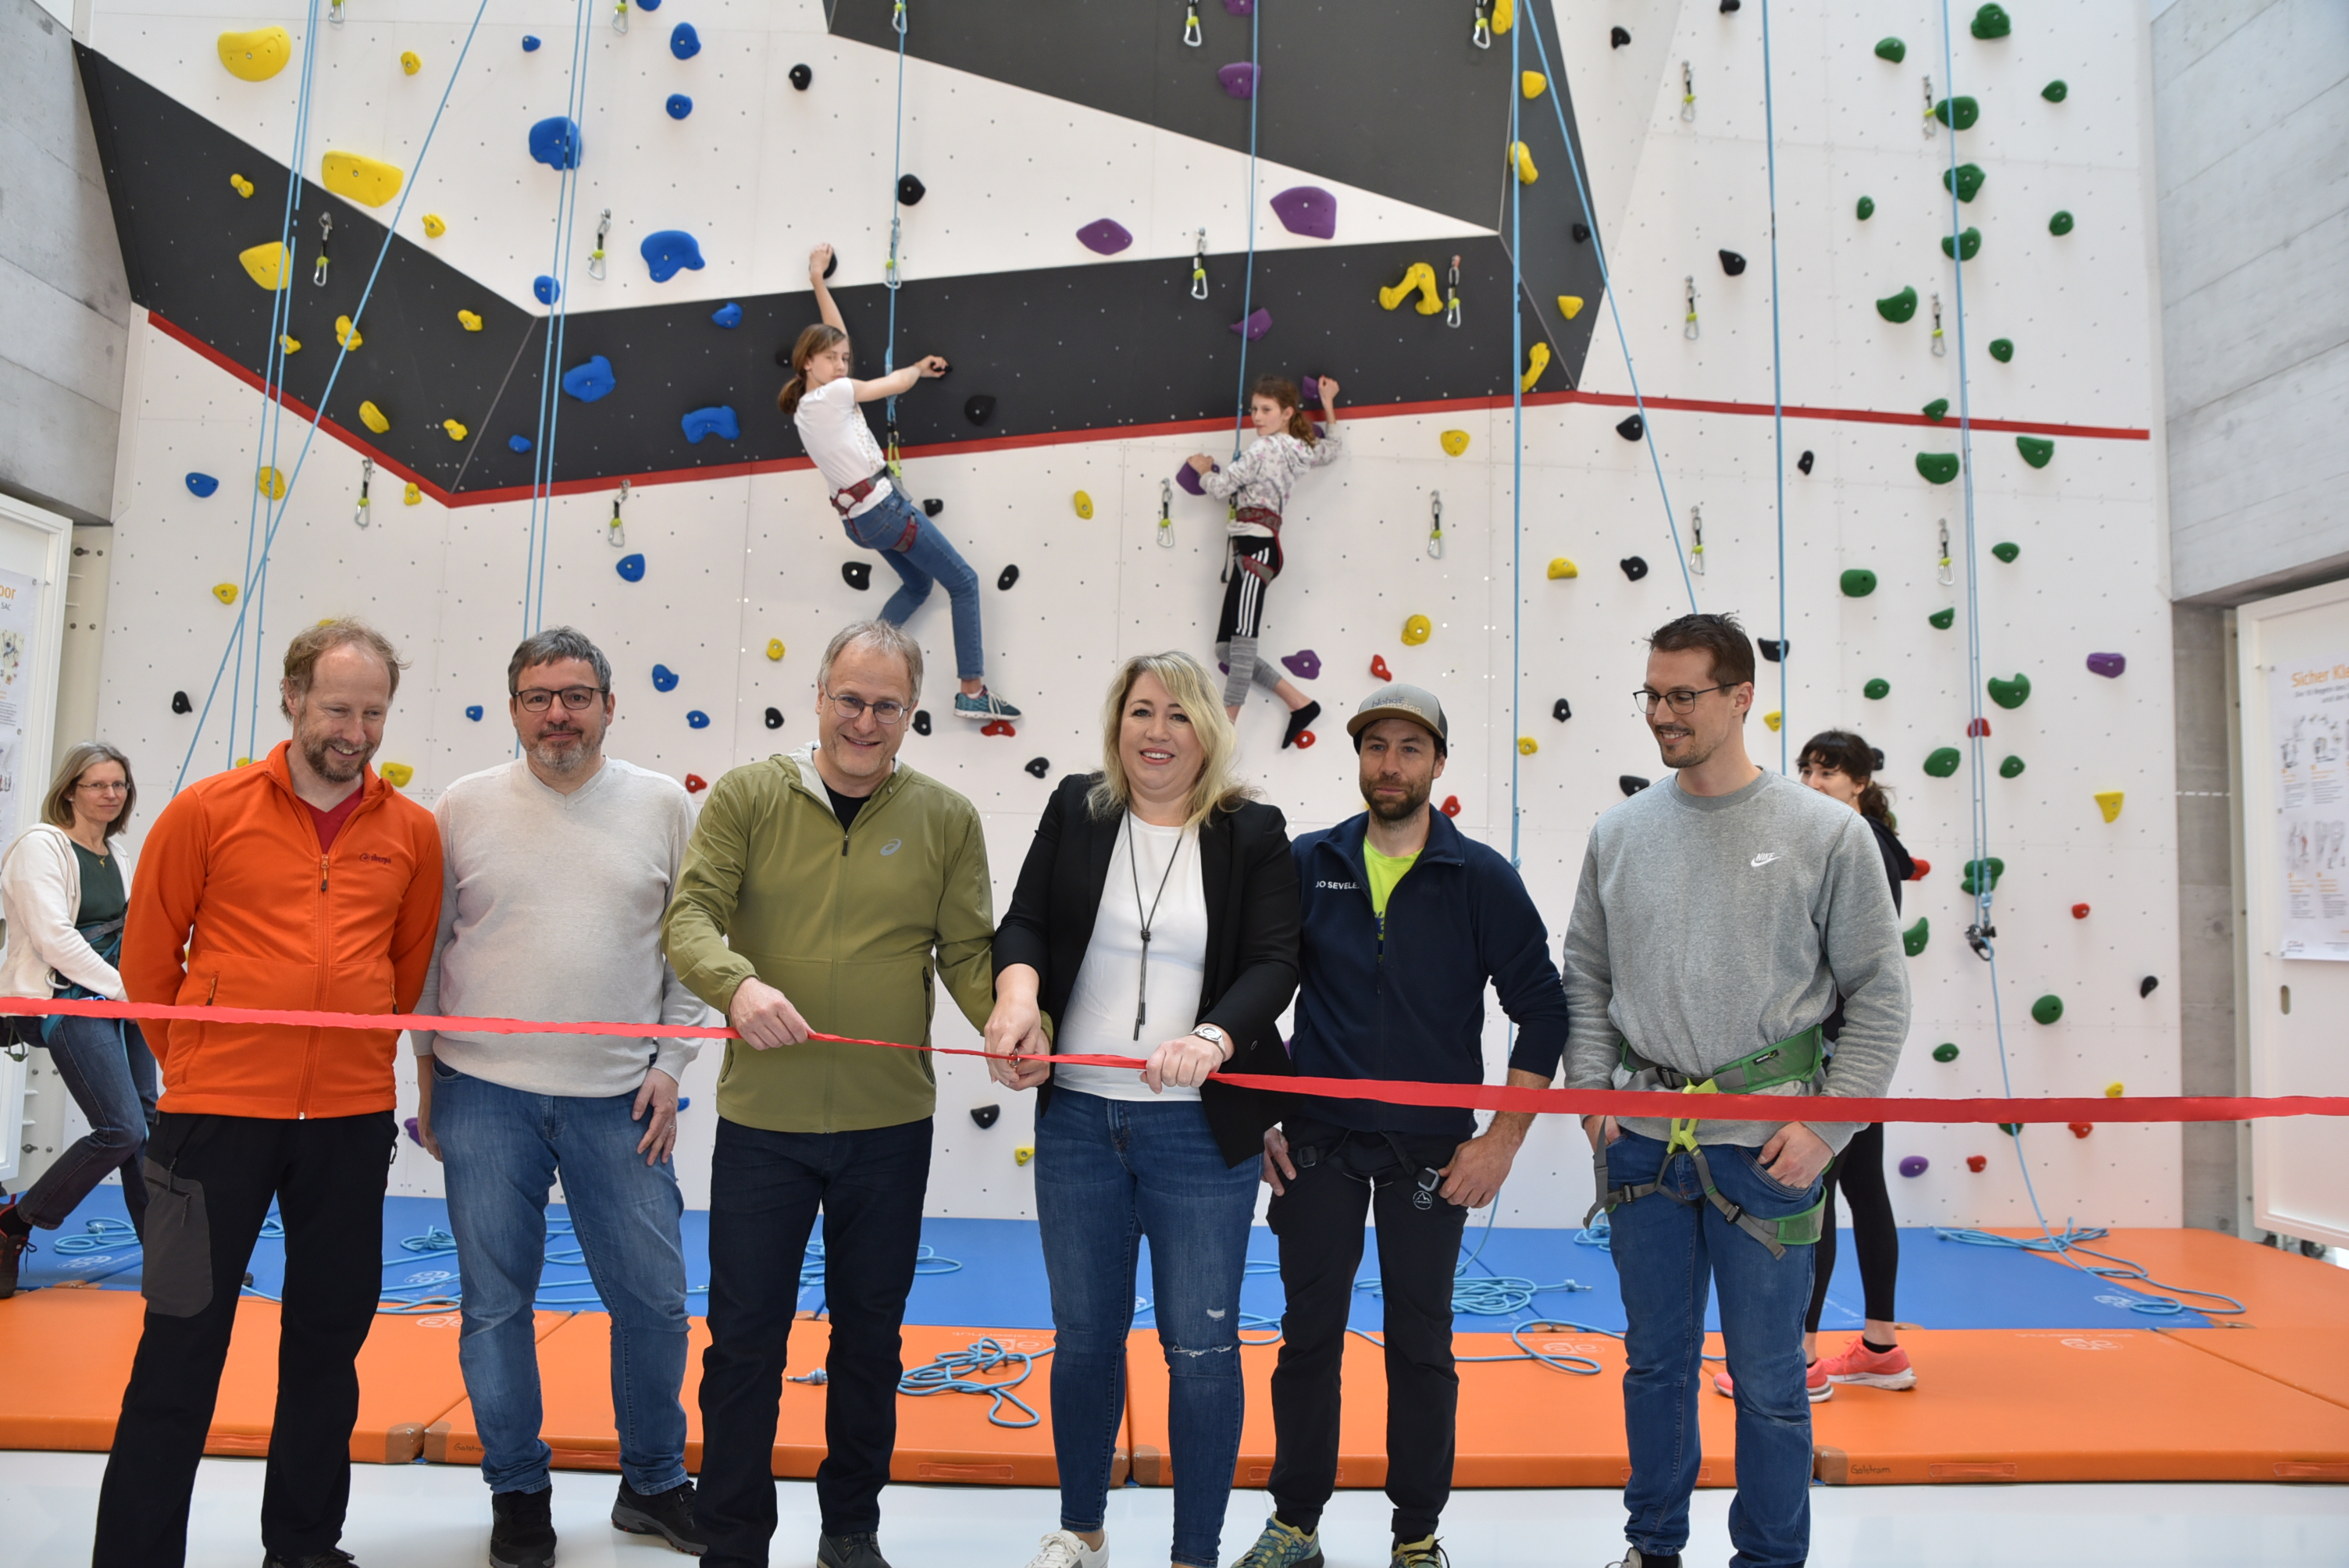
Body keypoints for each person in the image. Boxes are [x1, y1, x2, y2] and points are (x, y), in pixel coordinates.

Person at [1561, 614, 1909, 1568]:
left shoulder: (1824, 833)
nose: (1661, 715)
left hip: (1768, 1149)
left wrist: (1826, 1129)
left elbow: (1879, 996)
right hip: (1640, 1145)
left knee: (1765, 1379)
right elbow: (1584, 975)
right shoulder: (1620, 832)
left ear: (1739, 697)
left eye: (1682, 696)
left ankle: (1766, 1558)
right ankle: (1653, 1546)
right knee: (1655, 1366)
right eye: (1651, 695)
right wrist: (1592, 1097)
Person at [98, 620, 443, 1568]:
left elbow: (403, 969)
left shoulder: (410, 831)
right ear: (291, 697)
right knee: (178, 1347)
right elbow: (146, 957)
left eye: (374, 711)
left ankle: (301, 1545)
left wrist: (356, 1066)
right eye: (338, 707)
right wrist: (198, 1062)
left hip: (346, 1126)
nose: (357, 730)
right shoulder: (207, 810)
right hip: (211, 1123)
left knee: (327, 1352)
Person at [664, 618, 998, 1568]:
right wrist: (736, 983)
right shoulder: (746, 795)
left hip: (888, 1127)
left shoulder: (946, 817)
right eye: (848, 698)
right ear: (817, 694)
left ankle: (850, 1530)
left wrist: (1008, 1027)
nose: (863, 720)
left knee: (871, 1342)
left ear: (911, 713)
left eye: (886, 704)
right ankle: (731, 1538)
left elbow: (969, 953)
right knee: (742, 1344)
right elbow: (689, 914)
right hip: (764, 1125)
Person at [1232, 684, 1570, 1568]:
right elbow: (1255, 987)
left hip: (1430, 1148)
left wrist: (1499, 1140)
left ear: (1437, 764)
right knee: (1306, 1337)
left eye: (1408, 749)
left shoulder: (1480, 875)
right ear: (1358, 760)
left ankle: (1415, 1534)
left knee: (1421, 1343)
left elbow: (1541, 1008)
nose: (1389, 764)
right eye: (1375, 747)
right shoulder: (1308, 861)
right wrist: (1264, 1110)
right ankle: (1294, 1524)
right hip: (1319, 1143)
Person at [985, 652, 1301, 1568]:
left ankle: (1192, 1552)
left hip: (1199, 1131)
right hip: (1080, 1118)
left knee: (1199, 1347)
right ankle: (1081, 1529)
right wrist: (1016, 997)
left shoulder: (1252, 831)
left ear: (1208, 730)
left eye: (1176, 714)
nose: (1155, 732)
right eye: (1139, 712)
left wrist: (1211, 1038)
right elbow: (1027, 923)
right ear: (1116, 723)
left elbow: (1274, 962)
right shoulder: (1077, 809)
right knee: (1083, 1337)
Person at [411, 627, 708, 1567]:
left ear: (610, 706)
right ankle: (518, 1492)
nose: (557, 715)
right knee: (495, 1306)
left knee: (656, 1304)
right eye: (538, 697)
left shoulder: (662, 804)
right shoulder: (460, 807)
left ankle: (654, 1482)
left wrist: (670, 1065)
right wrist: (426, 1085)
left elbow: (693, 945)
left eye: (576, 695)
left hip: (620, 1098)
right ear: (513, 708)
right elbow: (422, 958)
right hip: (481, 1093)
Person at [782, 242, 1020, 723]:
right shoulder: (837, 394)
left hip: (862, 520)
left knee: (917, 586)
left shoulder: (809, 406)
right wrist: (917, 369)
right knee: (965, 582)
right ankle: (971, 689)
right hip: (884, 511)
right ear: (809, 362)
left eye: (845, 358)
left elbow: (836, 337)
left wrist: (818, 281)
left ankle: (856, 661)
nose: (844, 364)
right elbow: (887, 385)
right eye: (833, 358)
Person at [0, 743, 154, 1297]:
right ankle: (13, 1226)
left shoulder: (118, 855)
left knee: (147, 1125)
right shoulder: (40, 847)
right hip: (67, 998)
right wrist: (125, 990)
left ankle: (165, 1260)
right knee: (121, 1128)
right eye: (97, 785)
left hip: (122, 997)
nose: (111, 795)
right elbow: (53, 938)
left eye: (119, 785)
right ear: (69, 791)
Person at [1184, 376, 1342, 747]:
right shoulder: (1299, 448)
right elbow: (1332, 450)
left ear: (1287, 413)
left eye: (1266, 410)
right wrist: (1329, 402)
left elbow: (1221, 489)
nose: (1256, 416)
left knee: (1241, 646)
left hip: (1255, 551)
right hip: (1256, 551)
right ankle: (1299, 703)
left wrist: (1203, 468)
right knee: (1226, 648)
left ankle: (1223, 733)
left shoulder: (1262, 450)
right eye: (1254, 409)